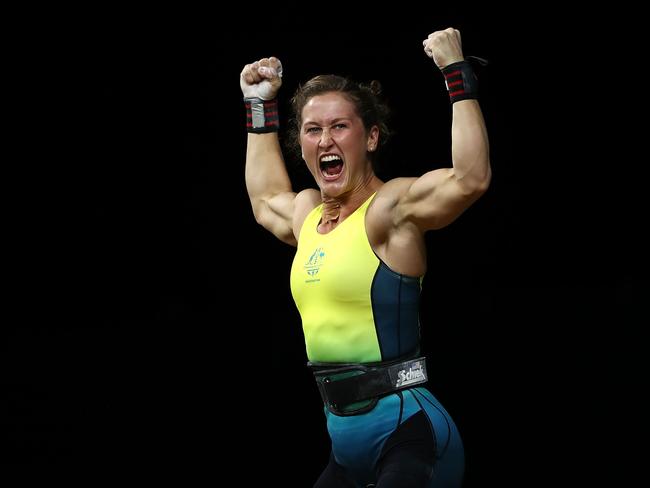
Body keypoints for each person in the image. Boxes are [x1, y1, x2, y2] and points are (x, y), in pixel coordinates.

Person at [239, 27, 490, 488]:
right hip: (345, 446)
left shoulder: (389, 212)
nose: (325, 139)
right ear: (303, 146)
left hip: (410, 438)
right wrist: (259, 106)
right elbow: (264, 198)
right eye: (313, 130)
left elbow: (469, 179)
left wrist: (457, 74)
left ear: (371, 138)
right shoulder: (306, 216)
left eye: (340, 126)